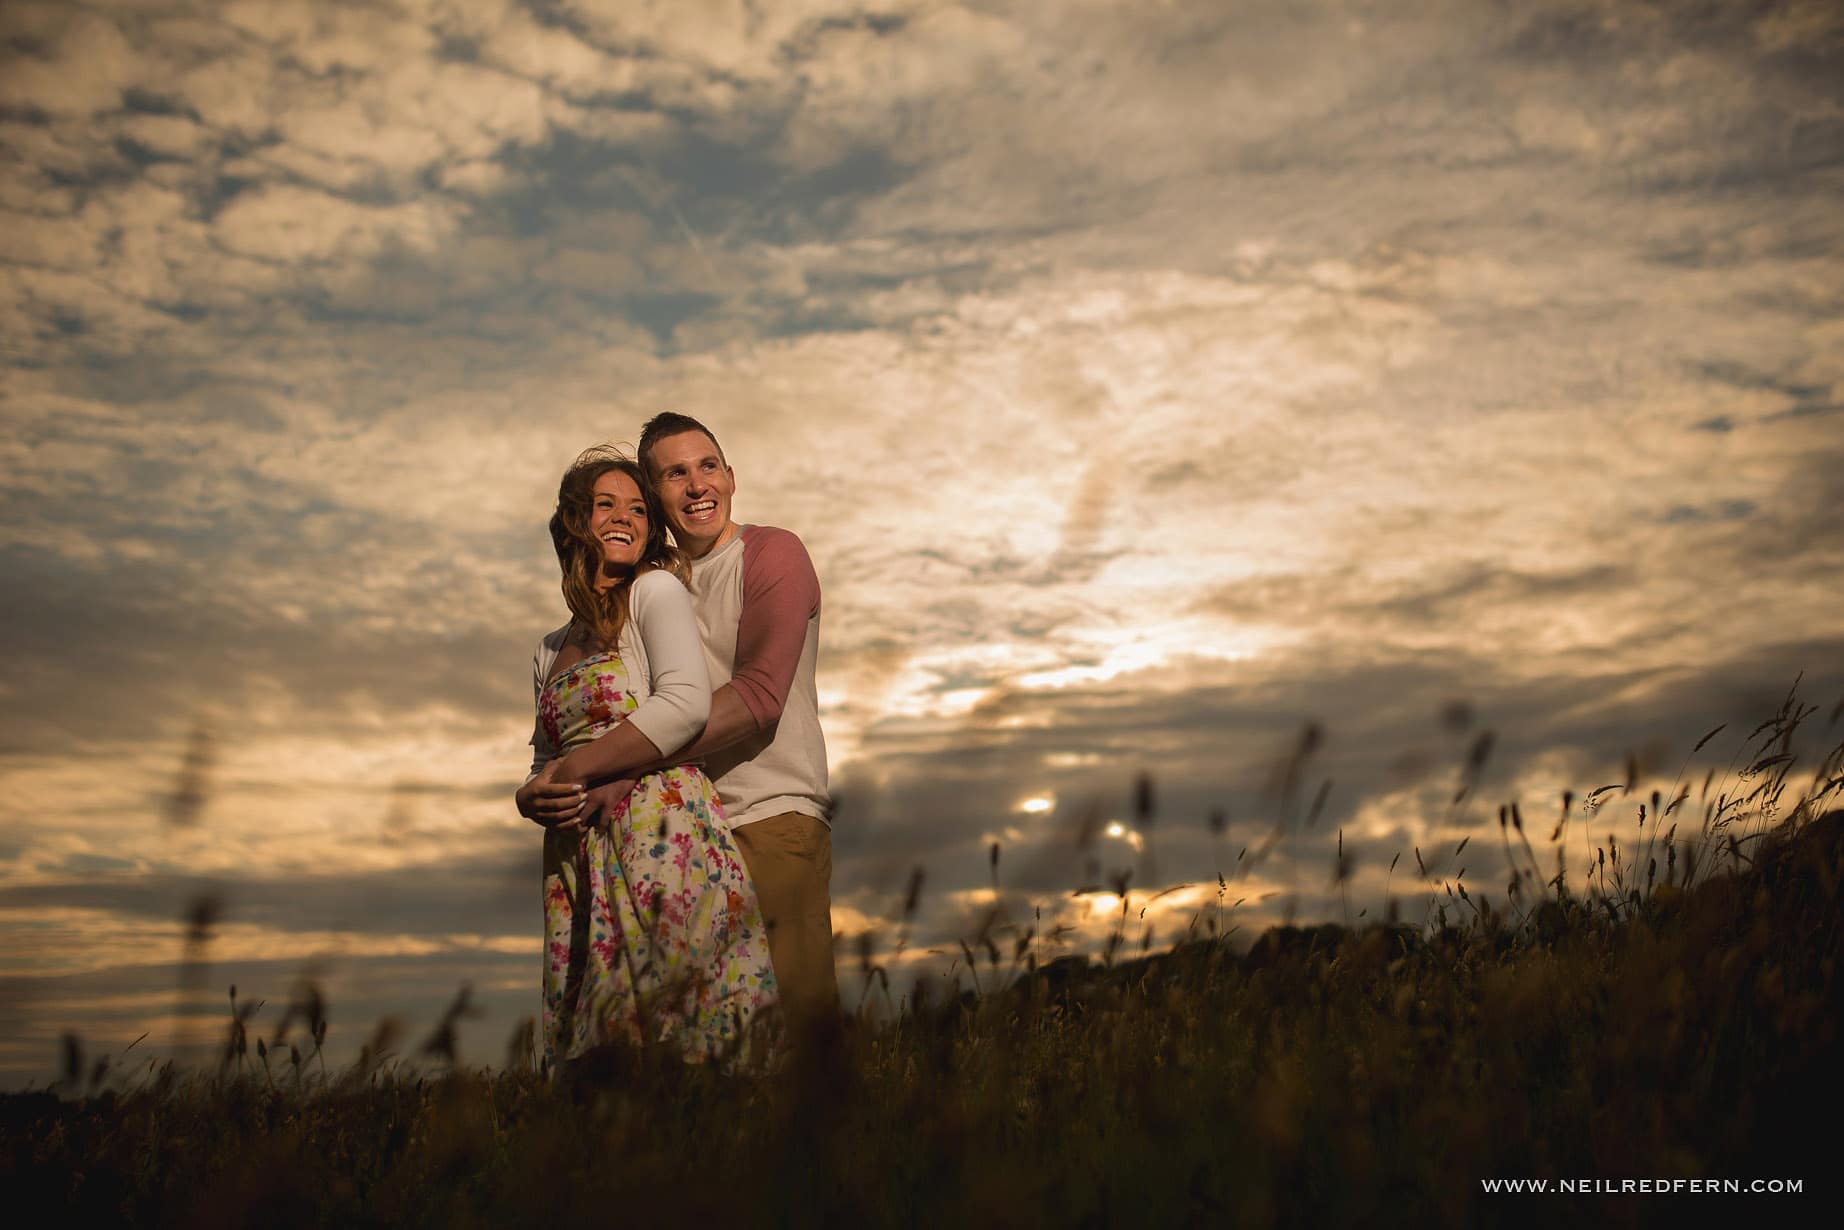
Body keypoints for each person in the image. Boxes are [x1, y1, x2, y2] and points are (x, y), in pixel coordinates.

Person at [561, 413, 839, 1029]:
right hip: (685, 827)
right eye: (674, 474)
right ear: (653, 497)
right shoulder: (654, 584)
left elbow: (760, 695)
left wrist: (620, 762)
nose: (696, 486)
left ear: (732, 477)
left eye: (707, 466)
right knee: (711, 1038)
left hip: (770, 814)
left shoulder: (772, 552)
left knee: (799, 1030)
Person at [516, 446, 777, 1065]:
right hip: (579, 853)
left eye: (637, 508)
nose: (624, 518)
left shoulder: (654, 591)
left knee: (684, 1042)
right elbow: (542, 759)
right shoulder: (549, 648)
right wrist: (531, 795)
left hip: (659, 827)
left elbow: (685, 704)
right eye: (605, 504)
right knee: (604, 1061)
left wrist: (576, 772)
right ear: (572, 522)